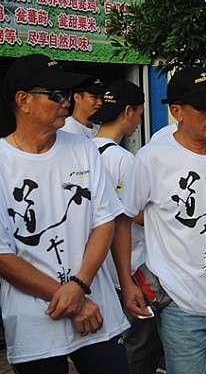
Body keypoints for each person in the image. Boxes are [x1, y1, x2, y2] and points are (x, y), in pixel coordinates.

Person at [116, 66, 206, 374]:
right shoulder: (152, 158)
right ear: (177, 111)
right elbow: (124, 220)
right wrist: (126, 282)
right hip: (180, 305)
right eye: (204, 106)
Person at [0, 54, 130, 374]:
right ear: (23, 100)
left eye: (68, 94)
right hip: (35, 322)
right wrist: (72, 298)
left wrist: (80, 285)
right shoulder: (3, 163)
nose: (66, 103)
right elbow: (3, 255)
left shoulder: (83, 148)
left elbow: (104, 221)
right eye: (56, 95)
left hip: (97, 309)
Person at [90, 80, 163, 374]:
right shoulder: (124, 160)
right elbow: (136, 215)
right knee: (139, 343)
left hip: (97, 269)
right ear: (128, 111)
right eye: (140, 115)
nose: (139, 122)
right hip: (131, 268)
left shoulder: (82, 152)